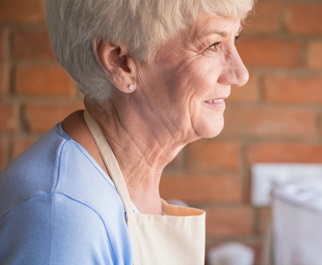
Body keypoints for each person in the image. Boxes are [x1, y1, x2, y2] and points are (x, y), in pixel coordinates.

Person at [0, 0, 254, 264]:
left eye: (235, 38)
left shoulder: (120, 182)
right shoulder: (61, 218)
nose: (240, 73)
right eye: (213, 45)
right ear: (121, 62)